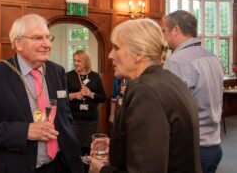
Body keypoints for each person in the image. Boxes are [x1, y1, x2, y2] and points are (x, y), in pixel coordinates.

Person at [0, 14, 84, 173]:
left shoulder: (57, 71)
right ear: (18, 43)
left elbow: (65, 116)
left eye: (48, 37)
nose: (47, 44)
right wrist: (25, 131)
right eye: (37, 38)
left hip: (60, 164)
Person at [88, 18, 202, 173]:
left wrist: (102, 170)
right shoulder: (170, 79)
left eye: (116, 48)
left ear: (138, 54)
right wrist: (116, 145)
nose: (110, 55)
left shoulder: (145, 91)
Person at [162, 10, 224, 173]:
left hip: (192, 147)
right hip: (215, 145)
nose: (164, 36)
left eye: (164, 31)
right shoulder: (213, 57)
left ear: (176, 30)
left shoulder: (176, 61)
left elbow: (168, 109)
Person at [67, 50, 106, 172]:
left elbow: (103, 97)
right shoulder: (68, 76)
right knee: (74, 147)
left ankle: (86, 169)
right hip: (74, 119)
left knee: (88, 148)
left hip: (91, 120)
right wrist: (74, 95)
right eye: (74, 60)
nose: (76, 63)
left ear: (86, 61)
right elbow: (61, 96)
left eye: (79, 60)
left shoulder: (95, 77)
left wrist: (91, 94)